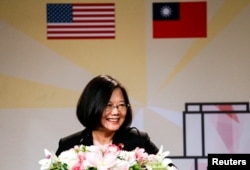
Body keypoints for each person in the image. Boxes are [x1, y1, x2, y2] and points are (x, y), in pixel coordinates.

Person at [55, 75, 159, 156]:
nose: (116, 112)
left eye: (121, 105)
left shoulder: (139, 141)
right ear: (92, 106)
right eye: (108, 105)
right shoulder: (69, 145)